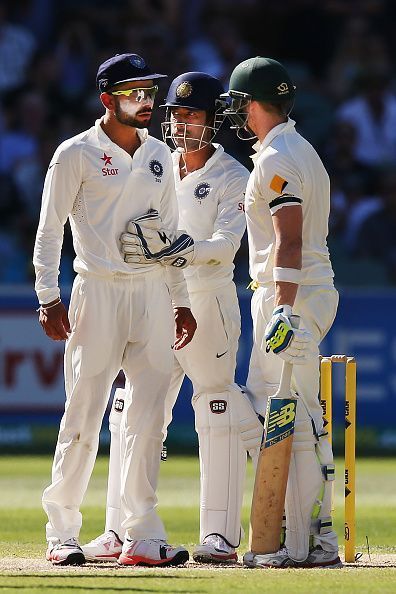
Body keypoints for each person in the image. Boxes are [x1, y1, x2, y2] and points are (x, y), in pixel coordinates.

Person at [81, 72, 263, 565]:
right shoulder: (154, 161)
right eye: (176, 114)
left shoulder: (233, 176)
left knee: (216, 405)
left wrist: (179, 249)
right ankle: (121, 528)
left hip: (208, 300)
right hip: (155, 300)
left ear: (213, 122)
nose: (182, 123)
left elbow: (226, 245)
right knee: (134, 410)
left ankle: (221, 535)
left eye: (194, 115)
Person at [33, 53, 197, 567]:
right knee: (83, 412)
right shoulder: (75, 154)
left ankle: (142, 533)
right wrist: (48, 296)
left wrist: (181, 300)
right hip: (97, 290)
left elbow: (168, 236)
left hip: (150, 292)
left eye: (150, 92)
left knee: (149, 419)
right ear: (107, 98)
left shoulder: (159, 156)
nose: (146, 102)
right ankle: (63, 530)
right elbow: (47, 231)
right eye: (134, 93)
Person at [222, 57, 342, 568]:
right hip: (303, 289)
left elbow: (288, 241)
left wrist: (285, 309)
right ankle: (313, 539)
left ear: (252, 104)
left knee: (286, 416)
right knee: (297, 415)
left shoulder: (275, 158)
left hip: (289, 292)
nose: (236, 115)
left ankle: (300, 543)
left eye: (238, 105)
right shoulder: (297, 147)